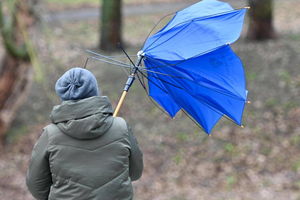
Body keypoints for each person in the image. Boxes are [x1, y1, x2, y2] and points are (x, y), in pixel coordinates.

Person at [26, 67, 143, 200]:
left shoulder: (50, 134)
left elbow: (36, 184)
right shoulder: (121, 127)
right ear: (94, 91)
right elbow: (135, 172)